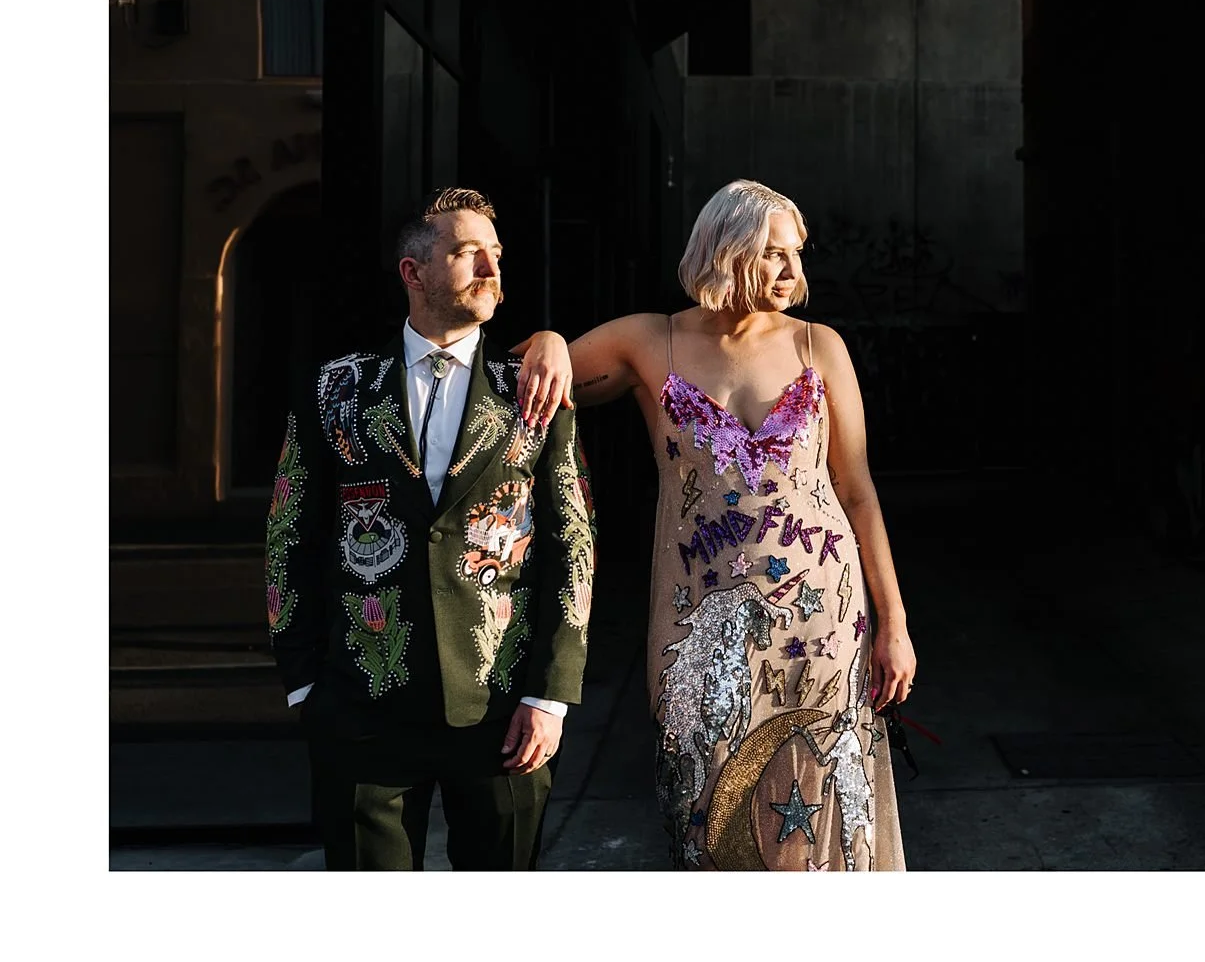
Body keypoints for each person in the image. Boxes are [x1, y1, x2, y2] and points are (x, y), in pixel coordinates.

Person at [512, 178, 916, 871]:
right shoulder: (653, 340)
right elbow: (529, 376)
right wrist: (549, 337)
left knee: (824, 809)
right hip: (697, 628)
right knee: (705, 809)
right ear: (728, 251)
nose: (793, 271)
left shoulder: (819, 346)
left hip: (823, 623)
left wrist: (894, 625)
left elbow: (858, 492)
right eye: (774, 254)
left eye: (796, 254)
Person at [264, 187, 597, 870]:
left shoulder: (531, 388)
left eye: (496, 253)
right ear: (413, 272)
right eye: (468, 252)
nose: (491, 269)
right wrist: (305, 684)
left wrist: (550, 695)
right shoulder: (335, 390)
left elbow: (573, 544)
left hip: (504, 710)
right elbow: (287, 535)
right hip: (363, 706)